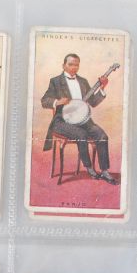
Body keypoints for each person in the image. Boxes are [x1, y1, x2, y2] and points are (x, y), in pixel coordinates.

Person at [40, 53, 117, 185]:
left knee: (102, 136)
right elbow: (44, 101)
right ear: (63, 65)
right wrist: (57, 102)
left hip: (83, 121)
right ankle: (89, 168)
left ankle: (104, 171)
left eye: (76, 65)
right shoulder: (55, 81)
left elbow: (93, 102)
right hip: (62, 122)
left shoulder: (83, 81)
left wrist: (102, 87)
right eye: (70, 64)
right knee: (81, 134)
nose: (74, 67)